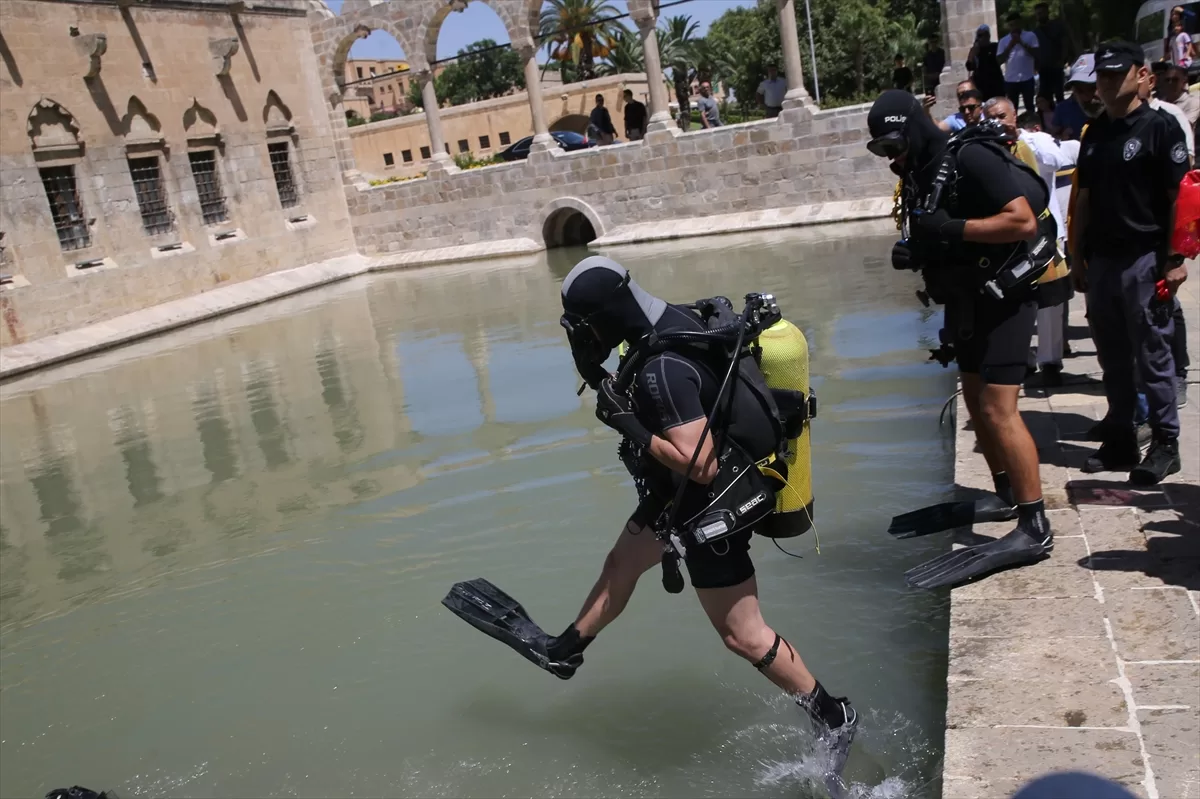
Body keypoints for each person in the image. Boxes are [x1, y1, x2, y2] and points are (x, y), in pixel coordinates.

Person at [444, 256, 861, 792]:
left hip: (711, 506)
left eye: (585, 327)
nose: (583, 338)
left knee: (743, 635)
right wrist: (604, 384)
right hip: (678, 495)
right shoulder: (671, 323)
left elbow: (699, 463)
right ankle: (566, 650)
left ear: (605, 315)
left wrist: (628, 424)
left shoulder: (661, 369)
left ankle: (833, 714)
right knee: (622, 562)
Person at [867, 90, 1054, 586]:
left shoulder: (969, 156)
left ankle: (1034, 526)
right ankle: (1004, 493)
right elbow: (938, 231)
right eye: (882, 150)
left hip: (1007, 296)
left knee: (998, 408)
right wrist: (918, 251)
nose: (891, 157)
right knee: (973, 398)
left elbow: (1022, 220)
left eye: (893, 145)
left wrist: (951, 229)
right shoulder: (921, 172)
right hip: (969, 299)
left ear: (913, 128)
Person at [1072, 42, 1189, 483]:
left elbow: (1179, 197)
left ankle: (1165, 443)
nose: (1105, 83)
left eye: (1115, 74)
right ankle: (1121, 435)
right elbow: (1084, 199)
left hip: (1145, 257)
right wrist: (1077, 256)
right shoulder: (1096, 133)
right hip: (1102, 260)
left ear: (1142, 76)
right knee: (1112, 356)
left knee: (1153, 355)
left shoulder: (1160, 127)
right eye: (1101, 75)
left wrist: (1175, 258)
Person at [984, 98, 1075, 385]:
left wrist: (1024, 140)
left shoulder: (1036, 141)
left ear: (1014, 116)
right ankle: (1022, 359)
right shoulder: (986, 150)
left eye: (1002, 116)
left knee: (1050, 303)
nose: (998, 122)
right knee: (1017, 299)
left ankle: (1051, 361)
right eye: (991, 118)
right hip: (1012, 239)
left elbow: (1057, 161)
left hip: (1046, 231)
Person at [998, 12, 1040, 116]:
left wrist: (1021, 42)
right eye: (1011, 25)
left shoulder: (1030, 36)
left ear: (1020, 23)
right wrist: (1010, 45)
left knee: (1029, 106)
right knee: (1012, 109)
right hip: (1010, 79)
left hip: (1027, 77)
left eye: (1016, 24)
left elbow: (1036, 53)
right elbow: (999, 60)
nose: (1014, 27)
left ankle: (1032, 123)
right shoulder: (1004, 41)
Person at [1033, 2, 1068, 104]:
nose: (1040, 16)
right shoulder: (1035, 32)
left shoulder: (1057, 26)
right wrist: (1035, 65)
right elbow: (1034, 50)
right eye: (1038, 14)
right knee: (1046, 96)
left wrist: (1063, 59)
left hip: (1057, 65)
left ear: (1047, 12)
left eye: (1042, 13)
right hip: (1043, 68)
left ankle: (1061, 112)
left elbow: (1065, 43)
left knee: (1059, 94)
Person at [1153, 61, 1200, 134]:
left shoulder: (1193, 102)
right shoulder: (1158, 102)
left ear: (1184, 82)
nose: (1170, 83)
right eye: (1167, 80)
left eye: (1175, 80)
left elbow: (1184, 127)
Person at [967, 24, 1006, 102]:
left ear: (988, 36)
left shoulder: (995, 47)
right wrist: (973, 54)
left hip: (996, 83)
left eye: (982, 35)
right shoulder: (975, 50)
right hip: (981, 85)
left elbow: (998, 61)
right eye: (979, 36)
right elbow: (969, 67)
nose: (980, 38)